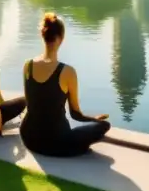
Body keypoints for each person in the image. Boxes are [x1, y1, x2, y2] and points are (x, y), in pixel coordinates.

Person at [20, 13, 110, 157]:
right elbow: (75, 114)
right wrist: (94, 118)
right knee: (104, 126)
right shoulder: (67, 72)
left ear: (42, 36)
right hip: (56, 142)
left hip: (28, 137)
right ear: (61, 39)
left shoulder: (28, 65)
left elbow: (31, 102)